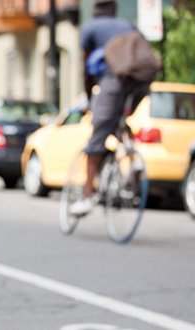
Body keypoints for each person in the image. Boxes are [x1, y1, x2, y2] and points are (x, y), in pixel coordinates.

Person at [70, 0, 151, 215]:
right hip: (142, 81)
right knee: (120, 119)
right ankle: (132, 159)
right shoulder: (128, 24)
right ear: (114, 11)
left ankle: (87, 198)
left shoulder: (91, 28)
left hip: (114, 81)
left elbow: (87, 71)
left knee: (97, 138)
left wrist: (89, 99)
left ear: (95, 12)